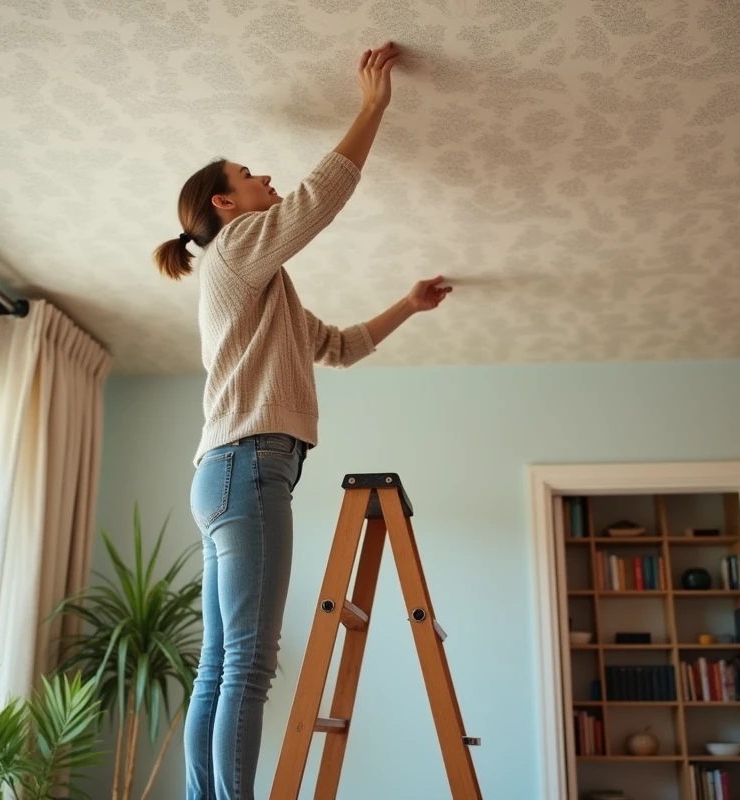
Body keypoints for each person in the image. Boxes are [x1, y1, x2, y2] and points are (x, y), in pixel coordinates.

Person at [153, 41, 451, 800]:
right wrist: (372, 106)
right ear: (224, 204)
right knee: (247, 664)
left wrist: (408, 309)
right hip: (249, 468)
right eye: (251, 176)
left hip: (226, 472)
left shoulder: (264, 289)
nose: (267, 181)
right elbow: (320, 197)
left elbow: (340, 347)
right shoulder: (238, 248)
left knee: (223, 665)